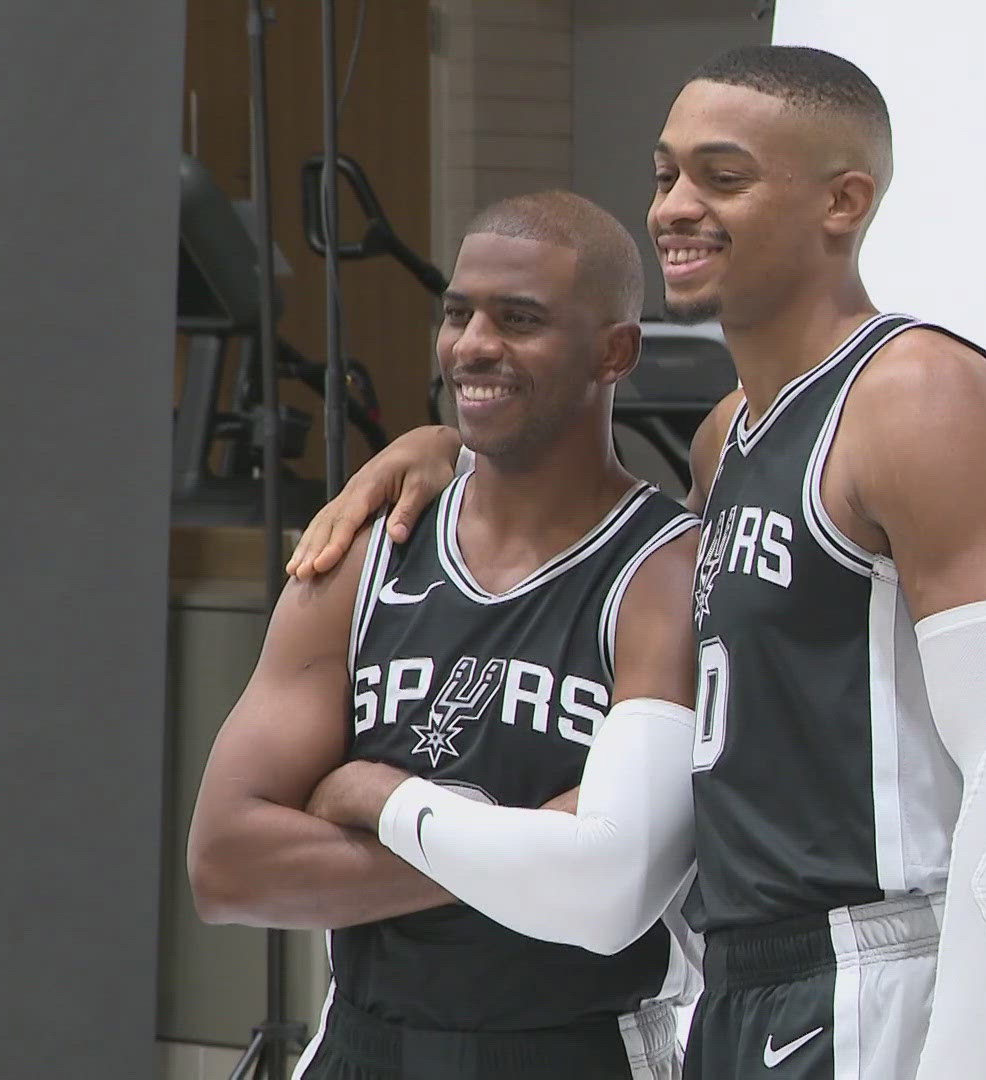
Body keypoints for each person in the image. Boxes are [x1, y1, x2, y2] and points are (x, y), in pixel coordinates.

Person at [285, 45, 986, 1080]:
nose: (674, 207)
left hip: (888, 977)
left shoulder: (921, 396)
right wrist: (440, 447)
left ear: (844, 201)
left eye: (724, 175)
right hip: (747, 988)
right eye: (665, 174)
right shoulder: (723, 438)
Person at [188, 190, 704, 1080]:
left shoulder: (666, 570)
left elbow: (611, 887)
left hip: (578, 1050)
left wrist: (381, 802)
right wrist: (519, 851)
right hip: (365, 1044)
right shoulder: (367, 548)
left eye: (520, 319)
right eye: (458, 313)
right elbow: (226, 866)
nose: (473, 345)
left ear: (615, 351)